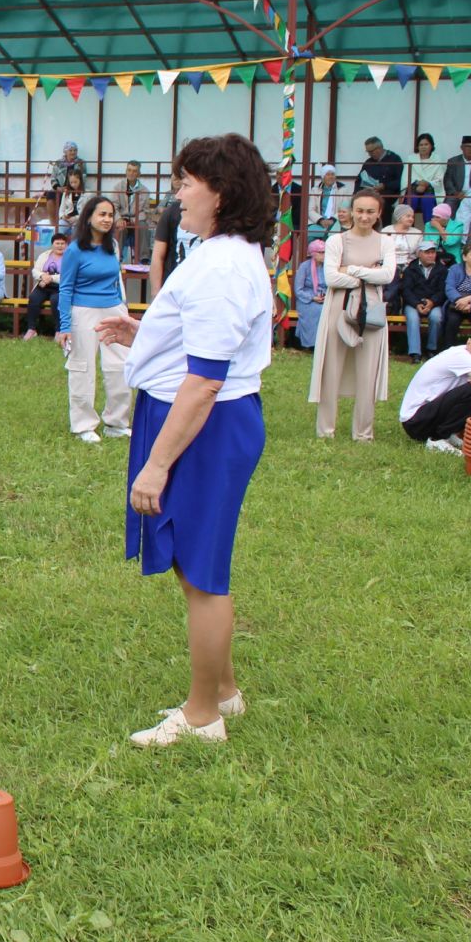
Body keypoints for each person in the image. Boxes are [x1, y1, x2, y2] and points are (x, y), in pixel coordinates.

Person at [94, 133, 274, 748]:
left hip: (204, 427)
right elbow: (201, 349)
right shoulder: (224, 254)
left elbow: (204, 382)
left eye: (186, 183)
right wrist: (144, 334)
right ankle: (222, 689)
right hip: (200, 419)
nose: (178, 194)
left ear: (220, 192)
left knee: (203, 572)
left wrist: (156, 464)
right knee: (194, 568)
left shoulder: (223, 265)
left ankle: (202, 716)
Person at [309, 191, 394, 441]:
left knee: (368, 371)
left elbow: (387, 275)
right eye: (360, 211)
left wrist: (352, 270)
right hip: (339, 307)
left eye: (370, 211)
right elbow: (331, 277)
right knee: (331, 369)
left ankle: (363, 433)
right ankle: (325, 431)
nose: (364, 217)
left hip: (373, 312)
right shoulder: (337, 241)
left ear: (379, 213)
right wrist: (369, 272)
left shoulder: (385, 242)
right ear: (351, 211)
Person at [56, 196, 131, 443]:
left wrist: (123, 310)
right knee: (81, 368)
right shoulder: (75, 250)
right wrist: (65, 325)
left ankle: (117, 423)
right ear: (89, 217)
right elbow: (65, 288)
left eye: (111, 215)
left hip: (114, 311)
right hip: (83, 313)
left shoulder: (114, 247)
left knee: (119, 367)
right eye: (102, 214)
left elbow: (116, 281)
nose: (107, 219)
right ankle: (83, 425)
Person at [398, 240, 450, 361]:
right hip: (413, 303)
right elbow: (406, 290)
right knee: (412, 318)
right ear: (419, 253)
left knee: (436, 317)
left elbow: (442, 291)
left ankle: (432, 349)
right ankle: (415, 353)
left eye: (433, 252)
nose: (431, 255)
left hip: (434, 303)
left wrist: (432, 302)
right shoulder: (410, 269)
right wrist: (416, 304)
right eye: (427, 252)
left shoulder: (442, 270)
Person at [149, 193, 198, 295]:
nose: (179, 194)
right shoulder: (172, 211)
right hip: (173, 285)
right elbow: (157, 256)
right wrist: (156, 294)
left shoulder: (218, 216)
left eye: (186, 185)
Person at [21, 236, 66, 340]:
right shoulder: (44, 255)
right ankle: (31, 329)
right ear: (52, 244)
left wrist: (50, 278)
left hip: (61, 287)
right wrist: (42, 277)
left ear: (66, 245)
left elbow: (67, 275)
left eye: (62, 243)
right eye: (57, 243)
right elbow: (35, 271)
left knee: (56, 301)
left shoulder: (69, 257)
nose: (60, 246)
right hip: (43, 285)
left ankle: (59, 331)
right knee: (33, 298)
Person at [444, 242, 471, 348]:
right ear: (464, 257)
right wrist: (459, 300)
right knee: (452, 322)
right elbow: (449, 288)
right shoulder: (455, 269)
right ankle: (449, 350)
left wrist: (469, 300)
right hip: (456, 304)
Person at [293, 239, 327, 351]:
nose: (324, 255)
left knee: (327, 311)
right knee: (317, 311)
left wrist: (325, 296)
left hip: (324, 298)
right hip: (306, 300)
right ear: (313, 253)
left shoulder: (327, 267)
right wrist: (313, 297)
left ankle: (324, 345)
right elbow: (298, 290)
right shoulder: (304, 267)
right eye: (321, 252)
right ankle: (310, 344)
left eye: (325, 252)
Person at [405, 133, 444, 222]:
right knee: (412, 200)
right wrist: (418, 183)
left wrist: (427, 184)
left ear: (431, 146)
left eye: (426, 144)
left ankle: (429, 231)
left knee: (427, 200)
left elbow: (440, 179)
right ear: (417, 147)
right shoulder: (411, 158)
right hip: (414, 189)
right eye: (421, 145)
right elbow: (405, 179)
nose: (423, 147)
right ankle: (408, 229)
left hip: (430, 190)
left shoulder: (437, 159)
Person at [358, 135, 403, 203]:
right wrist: (355, 194)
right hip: (369, 194)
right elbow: (359, 179)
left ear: (379, 148)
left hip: (387, 195)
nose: (369, 154)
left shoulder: (394, 159)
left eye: (371, 151)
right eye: (367, 152)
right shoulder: (369, 162)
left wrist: (385, 185)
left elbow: (401, 181)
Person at [443, 136, 471, 202]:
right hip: (456, 195)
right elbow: (448, 180)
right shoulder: (453, 161)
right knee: (448, 206)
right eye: (467, 146)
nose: (470, 149)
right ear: (462, 147)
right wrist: (456, 193)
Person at [119, 161, 149, 261]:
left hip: (137, 219)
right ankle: (117, 257)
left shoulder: (145, 190)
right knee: (120, 227)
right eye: (129, 170)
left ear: (139, 173)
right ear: (126, 171)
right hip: (122, 218)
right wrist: (119, 219)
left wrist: (135, 219)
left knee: (143, 226)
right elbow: (113, 207)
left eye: (134, 171)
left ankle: (144, 258)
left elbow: (145, 211)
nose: (131, 173)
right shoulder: (117, 187)